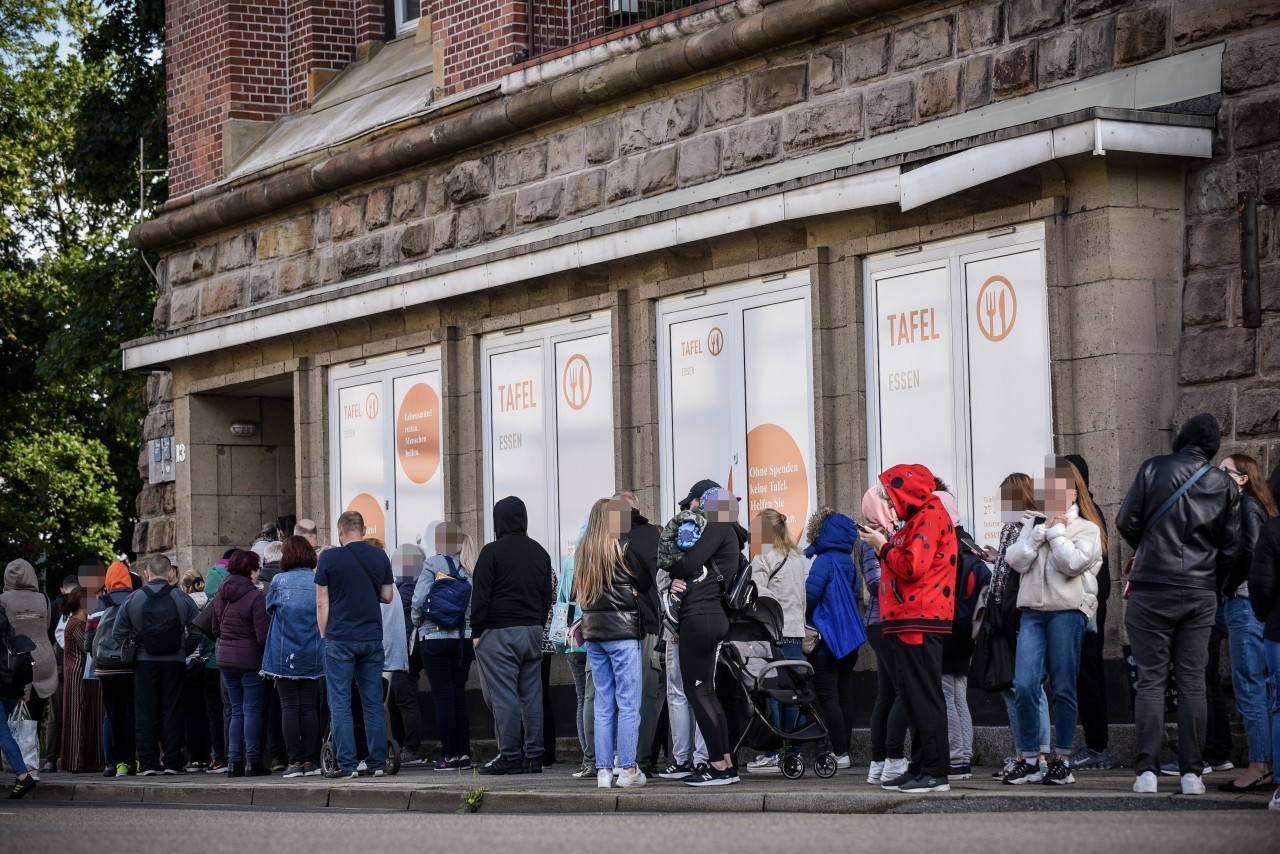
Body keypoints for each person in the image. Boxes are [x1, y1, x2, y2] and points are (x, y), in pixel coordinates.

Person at [1117, 413, 1241, 796]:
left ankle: (1147, 773)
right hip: (1200, 591)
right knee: (1192, 682)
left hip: (1151, 586)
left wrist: (1151, 550)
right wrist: (1213, 581)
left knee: (1151, 681)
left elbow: (1127, 522)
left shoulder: (1154, 468)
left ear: (1183, 438)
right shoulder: (1224, 484)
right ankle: (1192, 774)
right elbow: (1233, 547)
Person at [1001, 458, 1103, 786]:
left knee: (1063, 685)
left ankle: (1062, 759)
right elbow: (1014, 560)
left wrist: (1057, 534)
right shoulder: (1034, 523)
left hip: (1067, 612)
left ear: (1073, 494)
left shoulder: (1087, 528)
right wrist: (1039, 534)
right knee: (1025, 683)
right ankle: (1030, 758)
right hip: (1031, 611)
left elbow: (1072, 564)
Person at [861, 464, 955, 793]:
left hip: (921, 618)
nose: (888, 503)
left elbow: (912, 566)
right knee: (914, 697)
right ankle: (920, 766)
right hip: (906, 619)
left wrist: (881, 545)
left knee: (923, 696)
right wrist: (886, 544)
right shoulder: (917, 519)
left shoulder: (930, 515)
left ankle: (935, 770)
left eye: (890, 496)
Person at [666, 485, 747, 787]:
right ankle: (725, 762)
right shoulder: (734, 535)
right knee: (707, 693)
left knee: (697, 693)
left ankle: (717, 766)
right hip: (715, 618)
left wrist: (672, 565)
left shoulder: (717, 527)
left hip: (699, 616)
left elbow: (688, 563)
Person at [471, 497, 554, 775]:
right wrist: (537, 623)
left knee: (503, 695)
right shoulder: (540, 553)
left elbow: (480, 595)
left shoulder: (492, 552)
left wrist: (476, 631)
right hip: (531, 631)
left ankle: (509, 755)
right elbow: (547, 596)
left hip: (498, 632)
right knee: (532, 695)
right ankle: (534, 756)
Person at [577, 497, 652, 789]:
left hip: (594, 636)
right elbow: (645, 581)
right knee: (629, 703)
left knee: (603, 703)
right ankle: (629, 769)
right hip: (622, 633)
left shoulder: (584, 551)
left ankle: (604, 771)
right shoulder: (622, 547)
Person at [316, 510, 394, 779]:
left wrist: (325, 634)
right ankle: (377, 763)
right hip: (371, 637)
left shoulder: (328, 557)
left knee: (340, 702)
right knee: (372, 702)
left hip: (339, 638)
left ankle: (347, 764)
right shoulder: (379, 555)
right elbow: (387, 595)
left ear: (340, 530)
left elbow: (321, 602)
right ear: (363, 529)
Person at [1215, 453, 1275, 793]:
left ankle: (1259, 766)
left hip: (1243, 602)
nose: (1218, 475)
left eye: (1225, 470)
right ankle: (1264, 763)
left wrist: (1226, 584)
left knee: (1250, 686)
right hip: (1247, 604)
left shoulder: (1245, 506)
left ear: (1242, 478)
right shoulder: (1248, 506)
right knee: (1257, 685)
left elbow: (1249, 552)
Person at [988, 473, 1052, 779]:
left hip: (1015, 613)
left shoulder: (1022, 528)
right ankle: (1026, 752)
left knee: (1027, 687)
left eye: (1005, 498)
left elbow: (1012, 575)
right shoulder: (1023, 527)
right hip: (1011, 613)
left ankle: (1035, 754)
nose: (1001, 504)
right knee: (1015, 688)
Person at [113, 555, 198, 776]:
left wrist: (136, 644)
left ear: (146, 573)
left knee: (145, 712)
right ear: (170, 573)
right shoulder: (182, 598)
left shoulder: (133, 599)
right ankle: (172, 762)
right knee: (173, 710)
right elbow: (198, 629)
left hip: (144, 661)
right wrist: (184, 648)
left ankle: (148, 763)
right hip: (175, 661)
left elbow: (117, 632)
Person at [744, 507, 807, 774]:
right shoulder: (796, 558)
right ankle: (796, 751)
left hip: (776, 635)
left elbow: (758, 598)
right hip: (797, 633)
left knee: (773, 694)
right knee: (794, 694)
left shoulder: (763, 559)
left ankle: (773, 752)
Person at [803, 508, 866, 771]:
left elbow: (810, 597)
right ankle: (845, 751)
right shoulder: (848, 561)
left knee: (827, 698)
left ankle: (838, 751)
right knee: (844, 697)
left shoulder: (824, 561)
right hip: (848, 639)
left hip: (826, 639)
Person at [934, 490, 991, 780]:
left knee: (946, 693)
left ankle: (955, 759)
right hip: (967, 629)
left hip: (948, 628)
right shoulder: (968, 542)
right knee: (959, 694)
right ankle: (964, 756)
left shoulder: (947, 546)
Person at [413, 521, 478, 772]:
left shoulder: (433, 563)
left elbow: (419, 599)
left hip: (434, 637)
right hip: (463, 639)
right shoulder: (471, 567)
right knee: (459, 697)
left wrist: (419, 623)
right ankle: (464, 755)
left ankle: (449, 756)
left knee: (443, 698)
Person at [1064, 453, 1114, 772]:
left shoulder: (1086, 516)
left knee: (1087, 676)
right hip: (1085, 605)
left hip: (1084, 607)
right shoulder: (1084, 512)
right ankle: (1096, 745)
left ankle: (1098, 747)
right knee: (1084, 675)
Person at [262, 536, 325, 777]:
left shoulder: (279, 581)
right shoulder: (317, 580)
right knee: (309, 707)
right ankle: (310, 761)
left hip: (284, 653)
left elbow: (270, 608)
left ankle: (295, 762)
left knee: (289, 706)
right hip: (313, 651)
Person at [861, 487, 908, 786]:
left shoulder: (888, 534)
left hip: (885, 622)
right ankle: (892, 759)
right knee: (905, 690)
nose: (892, 506)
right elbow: (875, 581)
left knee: (888, 693)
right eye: (888, 502)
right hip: (882, 622)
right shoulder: (871, 537)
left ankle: (878, 762)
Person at [614, 491, 663, 774]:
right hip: (649, 626)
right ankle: (641, 760)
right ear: (638, 509)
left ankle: (611, 762)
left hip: (613, 629)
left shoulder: (604, 540)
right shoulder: (652, 536)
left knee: (611, 698)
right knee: (647, 696)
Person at [1, 560, 58, 774]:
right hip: (43, 659)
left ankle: (19, 765)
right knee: (34, 713)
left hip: (15, 660)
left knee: (10, 717)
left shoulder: (2, 600)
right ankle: (32, 762)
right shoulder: (43, 599)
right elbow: (47, 627)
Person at [1248, 464, 1280, 811]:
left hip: (1278, 629)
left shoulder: (1272, 531)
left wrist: (1264, 616)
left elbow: (1261, 587)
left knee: (1279, 705)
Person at [553, 518, 596, 777]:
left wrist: (559, 640)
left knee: (582, 699)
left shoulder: (570, 563)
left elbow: (561, 603)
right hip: (597, 639)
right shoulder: (601, 560)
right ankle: (605, 753)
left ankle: (586, 755)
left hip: (574, 640)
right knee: (602, 700)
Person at [89, 561, 137, 776]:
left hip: (106, 669)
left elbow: (88, 642)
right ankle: (133, 759)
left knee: (112, 715)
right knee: (131, 714)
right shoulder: (136, 599)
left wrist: (101, 658)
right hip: (131, 666)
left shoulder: (99, 604)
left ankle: (114, 763)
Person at [58, 588, 102, 773]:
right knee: (80, 714)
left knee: (86, 715)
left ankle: (85, 760)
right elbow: (88, 647)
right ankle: (78, 761)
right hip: (79, 674)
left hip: (83, 672)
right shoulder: (76, 623)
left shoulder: (78, 621)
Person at [389, 544, 425, 766]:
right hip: (406, 648)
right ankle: (405, 746)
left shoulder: (407, 588)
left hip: (407, 649)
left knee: (404, 698)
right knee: (399, 698)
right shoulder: (407, 585)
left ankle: (411, 749)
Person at [0, 599, 38, 798]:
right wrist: (20, 691)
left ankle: (23, 776)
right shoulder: (7, 626)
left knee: (1, 733)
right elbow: (17, 659)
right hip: (11, 690)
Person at [201, 552, 233, 773]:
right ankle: (234, 755)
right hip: (229, 662)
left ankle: (218, 757)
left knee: (214, 715)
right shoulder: (232, 599)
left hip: (208, 665)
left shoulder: (207, 602)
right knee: (233, 710)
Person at [179, 570, 211, 770]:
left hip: (189, 665)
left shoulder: (184, 602)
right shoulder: (210, 600)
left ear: (185, 586)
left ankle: (196, 757)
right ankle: (211, 755)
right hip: (207, 663)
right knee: (210, 713)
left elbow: (191, 633)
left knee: (192, 714)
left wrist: (186, 649)